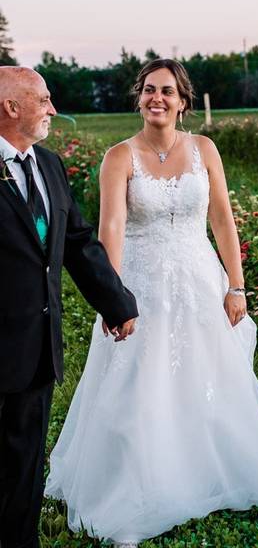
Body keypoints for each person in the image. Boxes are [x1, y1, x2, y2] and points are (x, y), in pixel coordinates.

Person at [44, 59, 258, 546]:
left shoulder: (204, 150)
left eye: (167, 91)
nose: (157, 99)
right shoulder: (118, 157)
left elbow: (224, 222)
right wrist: (115, 299)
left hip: (198, 281)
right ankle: (139, 481)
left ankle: (206, 469)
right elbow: (111, 231)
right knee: (138, 381)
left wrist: (236, 286)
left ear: (183, 102)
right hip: (143, 286)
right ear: (139, 98)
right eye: (149, 90)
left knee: (206, 374)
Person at [0, 67, 138, 548]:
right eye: (43, 99)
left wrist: (116, 303)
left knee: (25, 461)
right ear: (11, 107)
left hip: (36, 346)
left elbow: (78, 241)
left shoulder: (49, 165)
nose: (53, 109)